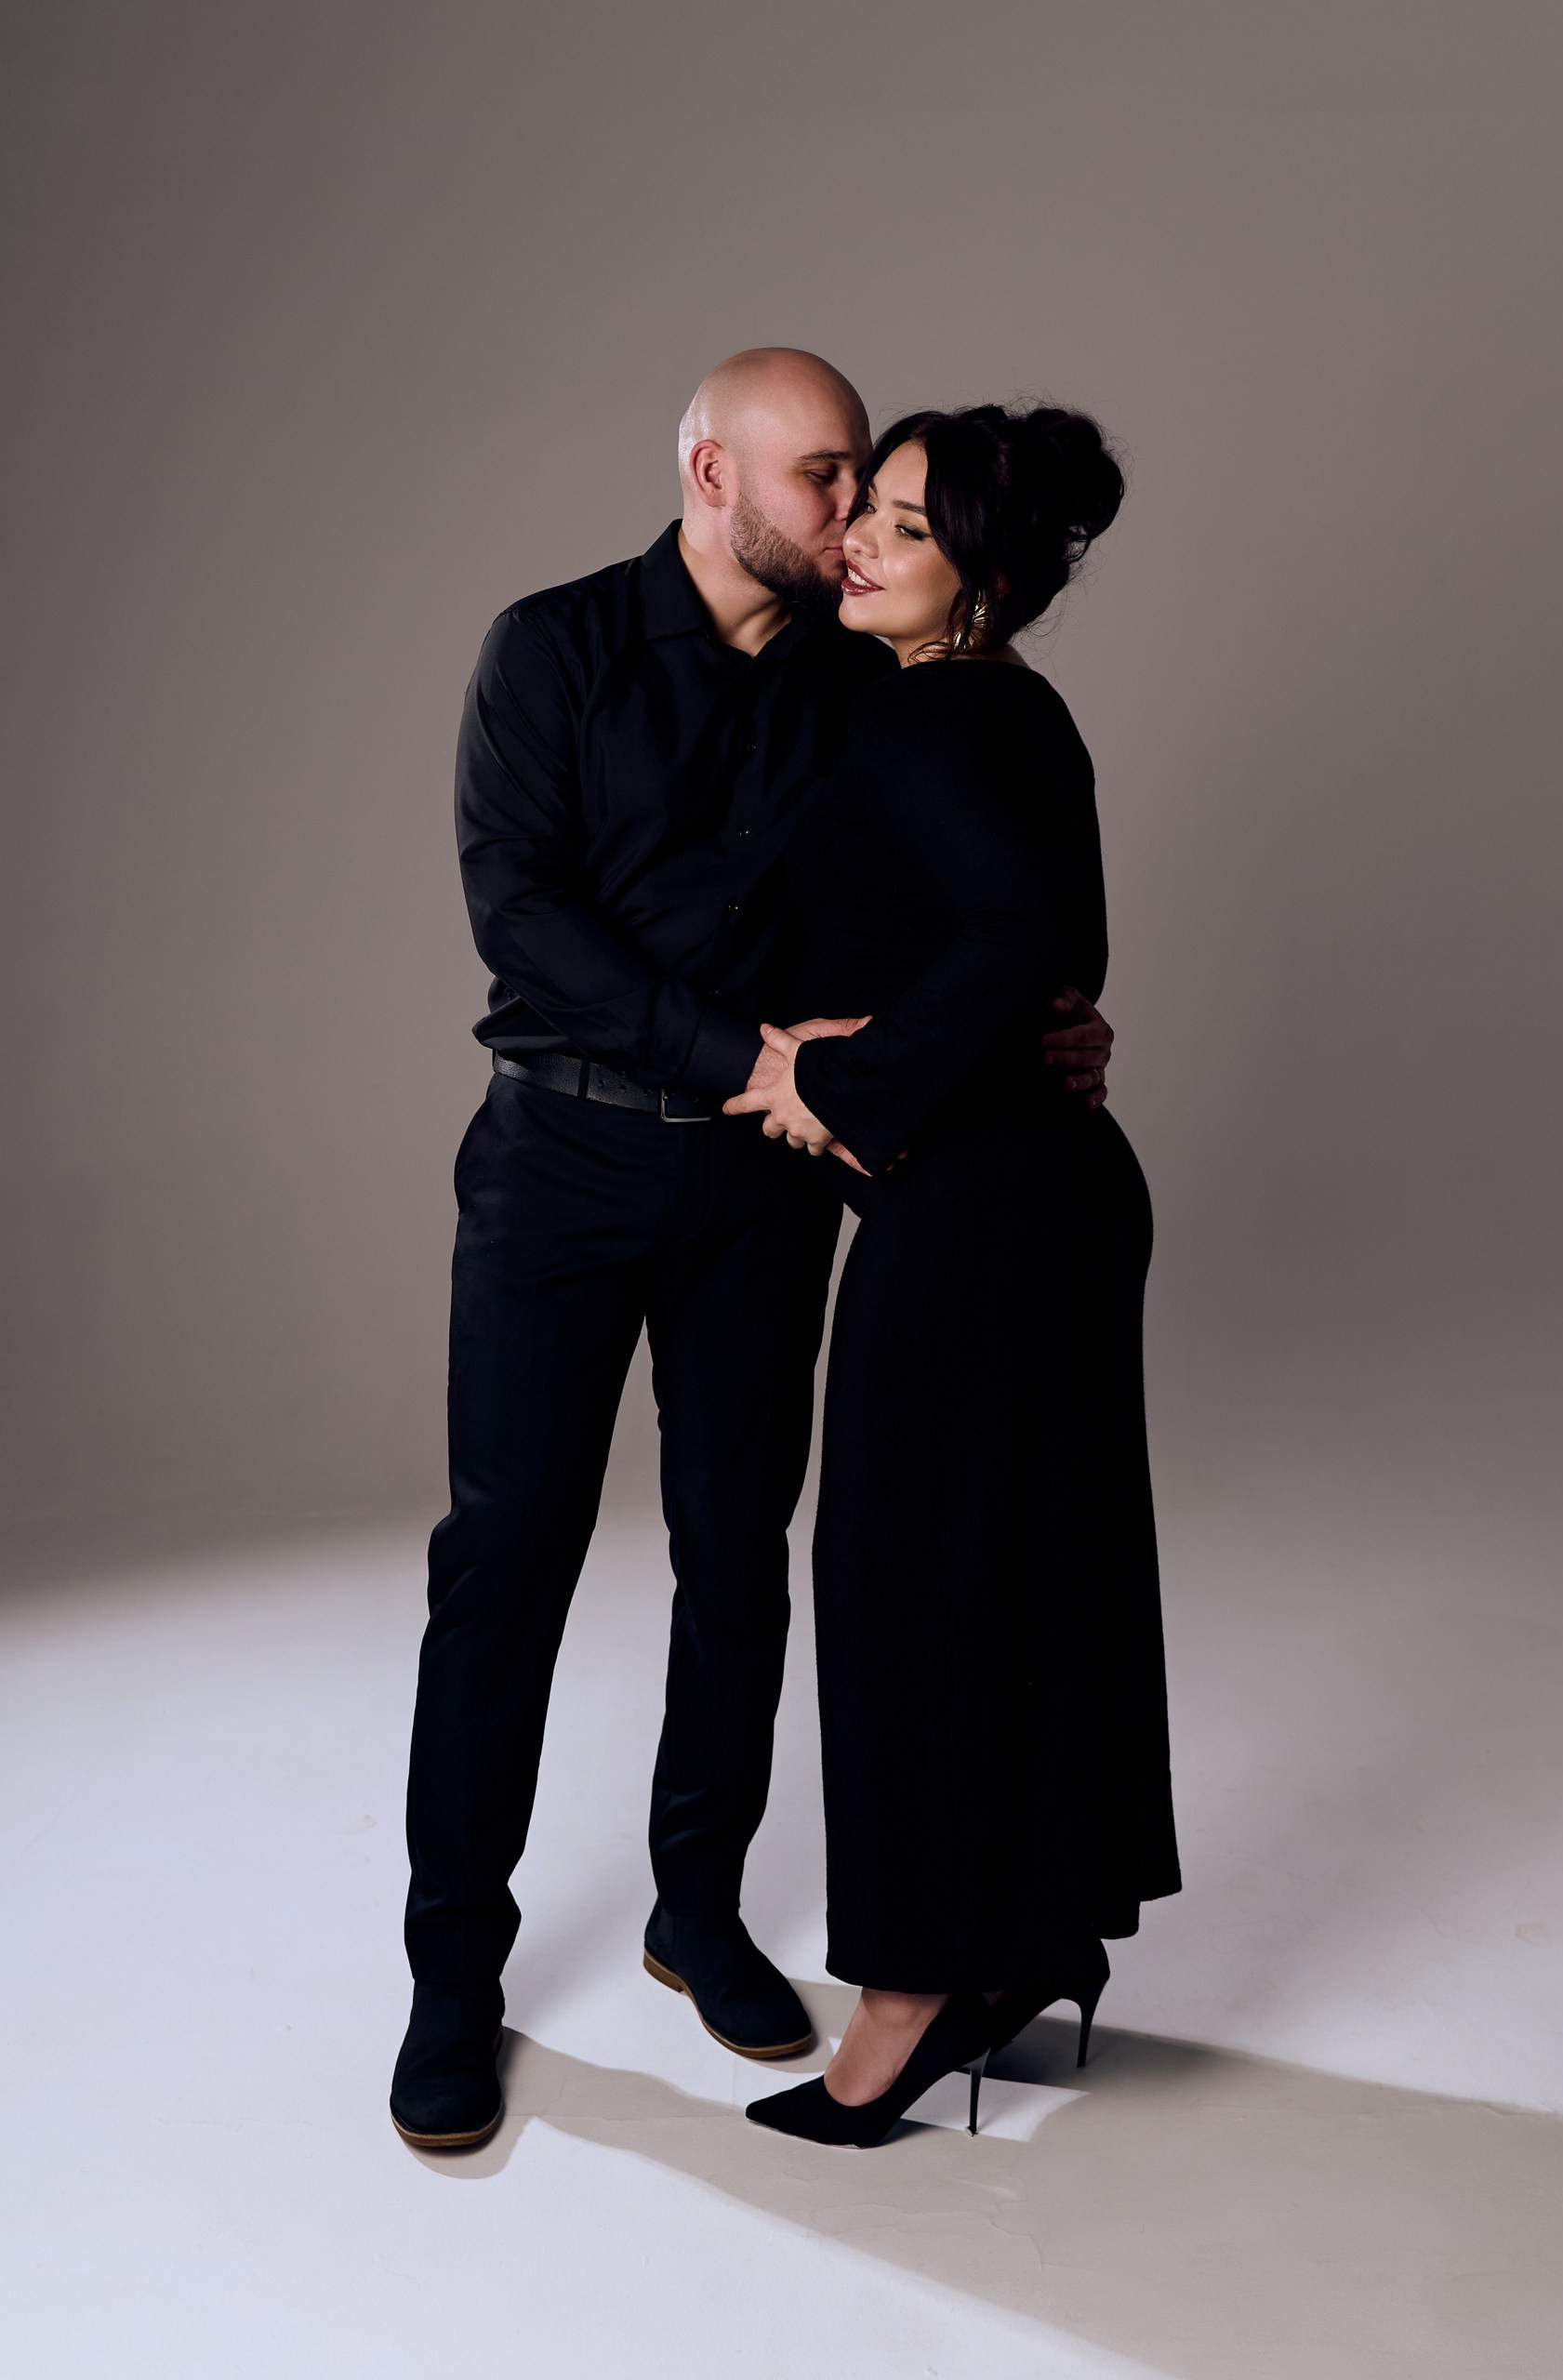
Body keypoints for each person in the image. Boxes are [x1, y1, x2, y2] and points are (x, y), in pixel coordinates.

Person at [391, 353, 1117, 2149]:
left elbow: (958, 895)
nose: (850, 510)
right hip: (561, 1164)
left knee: (738, 1556)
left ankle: (695, 1911)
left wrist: (1038, 1026)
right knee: (504, 1564)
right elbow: (521, 916)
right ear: (713, 473)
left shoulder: (867, 677)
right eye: (824, 476)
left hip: (765, 1190)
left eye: (869, 483)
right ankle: (452, 1975)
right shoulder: (552, 648)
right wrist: (756, 1059)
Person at [726, 404, 1180, 2148]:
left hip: (982, 1218)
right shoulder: (1016, 710)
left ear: (979, 575)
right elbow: (1061, 959)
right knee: (1023, 1578)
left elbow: (1019, 941)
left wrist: (833, 1084)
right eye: (867, 510)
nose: (857, 539)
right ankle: (1022, 1945)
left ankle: (912, 1993)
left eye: (904, 527)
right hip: (1046, 1199)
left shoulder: (924, 713)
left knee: (907, 1594)